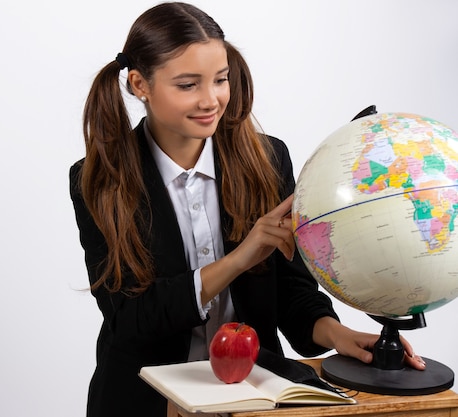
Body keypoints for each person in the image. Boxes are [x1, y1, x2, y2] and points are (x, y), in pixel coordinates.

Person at [69, 3, 426, 416]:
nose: (211, 100)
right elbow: (131, 318)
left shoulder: (268, 158)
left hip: (253, 396)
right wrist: (240, 259)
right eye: (188, 85)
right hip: (145, 400)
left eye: (221, 80)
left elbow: (292, 293)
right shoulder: (98, 181)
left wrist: (338, 334)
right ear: (139, 84)